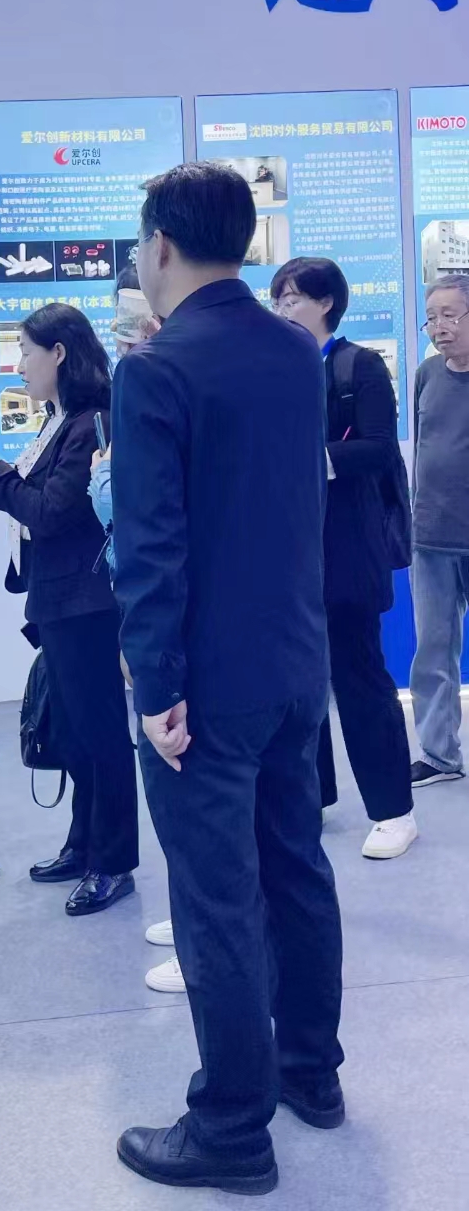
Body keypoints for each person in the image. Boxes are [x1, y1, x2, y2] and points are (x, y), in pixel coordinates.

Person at [110, 163, 343, 1195]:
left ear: (160, 245)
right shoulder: (297, 351)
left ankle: (232, 1130)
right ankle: (312, 1074)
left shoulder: (156, 371)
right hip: (295, 666)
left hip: (203, 690)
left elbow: (151, 548)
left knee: (216, 902)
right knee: (296, 870)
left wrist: (156, 689)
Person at [0, 305, 137, 915]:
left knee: (101, 734)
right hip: (58, 599)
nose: (19, 366)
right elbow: (33, 497)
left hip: (87, 603)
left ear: (59, 353)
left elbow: (50, 511)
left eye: (26, 352)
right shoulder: (60, 421)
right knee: (74, 733)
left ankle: (113, 864)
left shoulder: (93, 422)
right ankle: (83, 845)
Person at [270, 257, 417, 859]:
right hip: (291, 551)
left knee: (359, 677)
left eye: (293, 299)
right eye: (277, 300)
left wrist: (312, 459)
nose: (283, 310)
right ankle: (314, 797)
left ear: (327, 302)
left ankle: (393, 810)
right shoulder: (279, 367)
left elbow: (379, 448)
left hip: (350, 547)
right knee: (302, 684)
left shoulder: (359, 365)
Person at [408, 272, 469, 787]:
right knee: (432, 650)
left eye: (450, 315)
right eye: (431, 318)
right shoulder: (427, 374)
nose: (439, 326)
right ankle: (439, 754)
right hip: (430, 537)